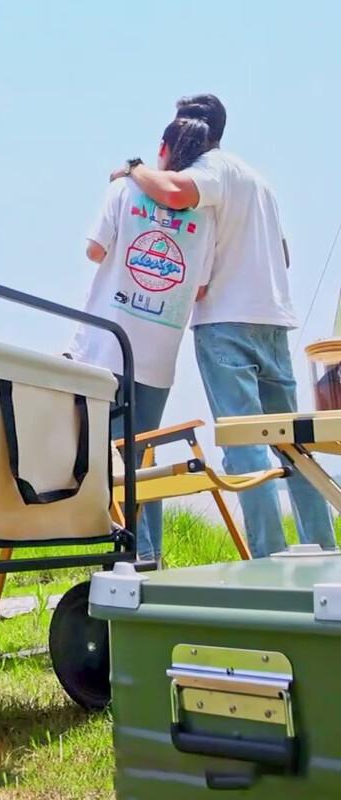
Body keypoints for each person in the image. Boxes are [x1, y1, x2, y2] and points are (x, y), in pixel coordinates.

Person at [116, 93, 336, 557]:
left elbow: (174, 192)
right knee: (293, 444)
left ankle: (269, 559)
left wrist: (134, 169)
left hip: (227, 324)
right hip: (274, 321)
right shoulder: (260, 182)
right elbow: (285, 254)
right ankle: (323, 550)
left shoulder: (213, 169)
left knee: (245, 444)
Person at [69, 117, 216, 564]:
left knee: (107, 459)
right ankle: (149, 557)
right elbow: (203, 286)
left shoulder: (123, 190)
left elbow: (94, 250)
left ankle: (123, 563)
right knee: (143, 454)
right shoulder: (206, 215)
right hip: (159, 354)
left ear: (164, 148)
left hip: (107, 346)